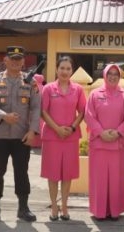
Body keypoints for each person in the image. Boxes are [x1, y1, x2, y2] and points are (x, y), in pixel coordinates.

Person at [0, 46, 40, 225]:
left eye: (19, 59)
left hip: (21, 136)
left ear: (23, 61)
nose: (15, 62)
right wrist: (3, 116)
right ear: (5, 60)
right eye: (12, 58)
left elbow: (36, 107)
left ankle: (23, 208)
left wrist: (32, 131)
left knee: (21, 173)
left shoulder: (31, 82)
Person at [85, 64, 124, 221]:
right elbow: (89, 115)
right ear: (105, 75)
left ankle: (115, 211)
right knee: (99, 179)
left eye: (116, 74)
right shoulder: (94, 94)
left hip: (118, 144)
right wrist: (101, 132)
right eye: (110, 73)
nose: (113, 76)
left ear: (119, 77)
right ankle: (99, 211)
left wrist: (118, 132)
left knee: (116, 179)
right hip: (99, 144)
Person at [40, 56, 86, 221]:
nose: (65, 71)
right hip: (52, 136)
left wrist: (72, 127)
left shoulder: (78, 89)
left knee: (67, 174)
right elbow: (43, 112)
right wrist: (57, 128)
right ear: (57, 69)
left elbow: (82, 111)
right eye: (62, 68)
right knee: (53, 174)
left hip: (70, 137)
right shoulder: (48, 89)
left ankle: (64, 206)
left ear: (71, 71)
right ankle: (54, 206)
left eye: (68, 68)